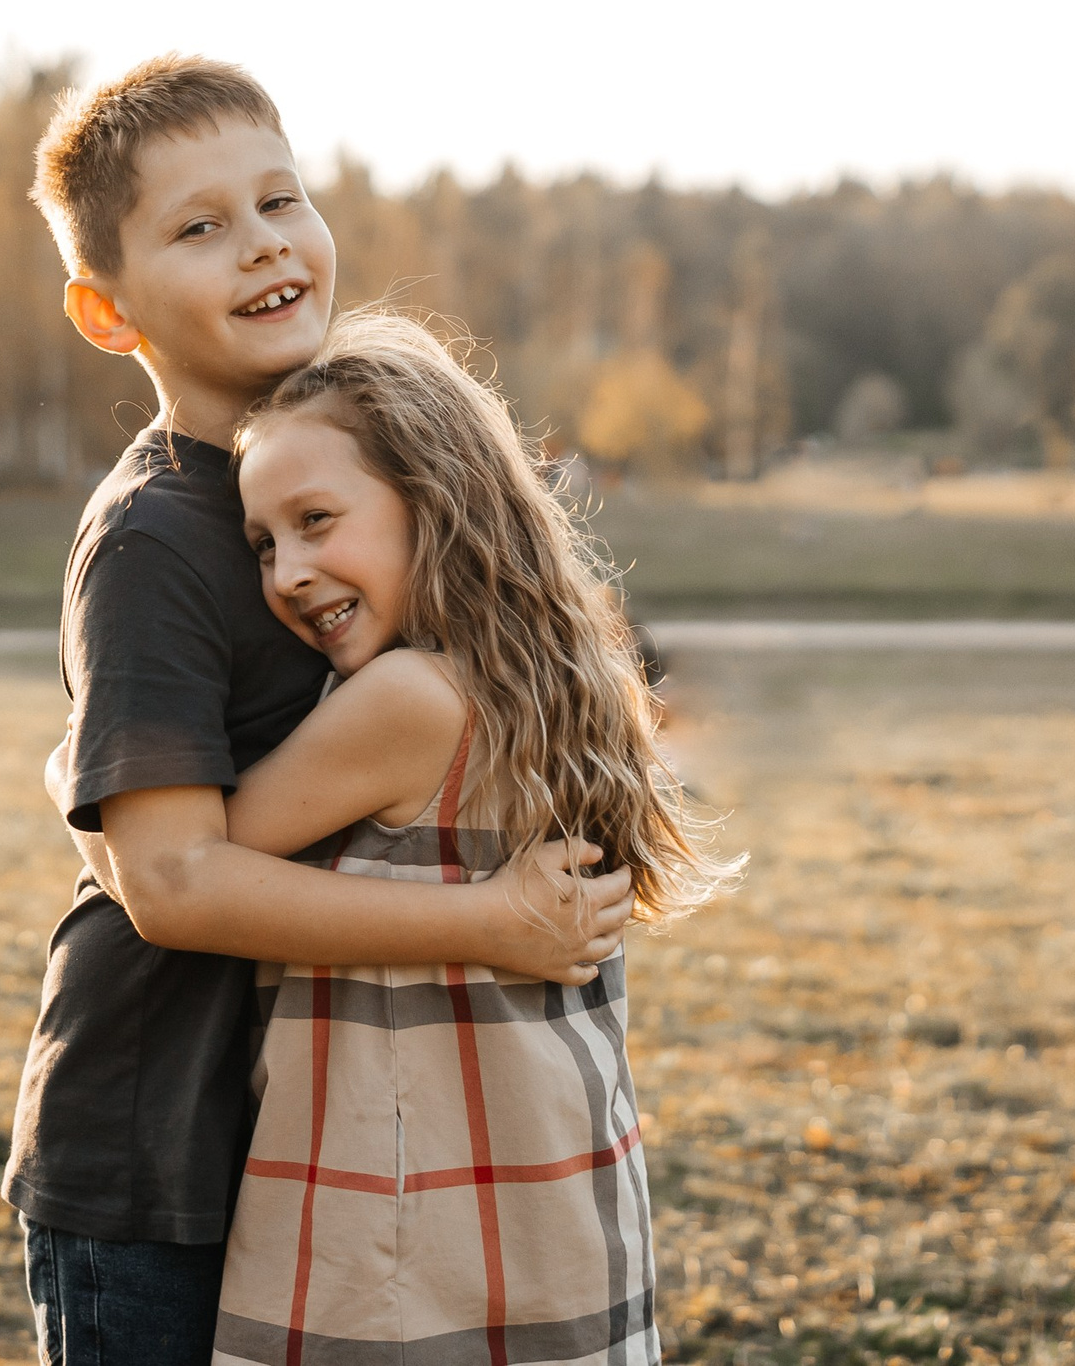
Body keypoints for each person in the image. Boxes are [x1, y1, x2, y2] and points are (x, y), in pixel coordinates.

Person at [5, 56, 637, 1366]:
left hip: (330, 1125)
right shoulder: (158, 538)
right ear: (106, 310)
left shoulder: (350, 467)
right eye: (199, 226)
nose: (261, 246)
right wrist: (491, 922)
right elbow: (170, 883)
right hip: (166, 1145)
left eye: (280, 199)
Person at [209, 310, 742, 1365]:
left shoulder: (408, 700)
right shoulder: (559, 681)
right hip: (553, 1206)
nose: (286, 573)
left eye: (317, 520)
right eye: (264, 544)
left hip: (406, 1244)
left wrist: (83, 771)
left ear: (435, 501)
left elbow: (190, 858)